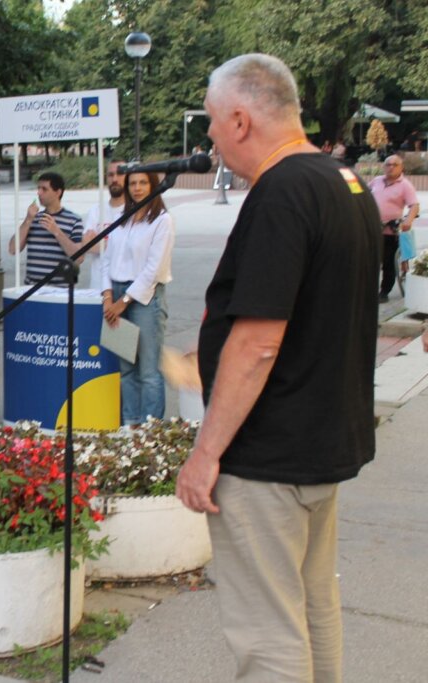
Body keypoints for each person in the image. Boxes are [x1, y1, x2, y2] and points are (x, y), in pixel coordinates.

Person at [175, 54, 380, 682]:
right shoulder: (342, 183)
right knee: (313, 608)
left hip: (268, 460)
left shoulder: (282, 192)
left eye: (211, 122)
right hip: (321, 445)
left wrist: (206, 452)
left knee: (268, 639)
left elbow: (258, 341)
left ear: (240, 119)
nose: (208, 136)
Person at [99, 170, 174, 425]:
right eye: (133, 183)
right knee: (126, 370)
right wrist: (108, 297)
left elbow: (154, 269)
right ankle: (130, 425)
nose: (138, 188)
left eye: (143, 182)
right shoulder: (123, 218)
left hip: (144, 299)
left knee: (148, 371)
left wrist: (123, 302)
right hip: (117, 295)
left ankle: (150, 430)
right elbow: (107, 260)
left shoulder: (161, 221)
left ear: (153, 185)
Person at [8, 172, 84, 286]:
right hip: (31, 288)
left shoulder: (74, 220)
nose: (39, 193)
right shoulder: (33, 219)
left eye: (44, 189)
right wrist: (28, 220)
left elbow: (79, 258)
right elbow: (13, 249)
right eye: (38, 188)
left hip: (60, 290)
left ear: (58, 192)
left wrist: (57, 232)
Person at [368, 155, 419, 302]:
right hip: (373, 228)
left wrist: (409, 220)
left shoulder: (405, 185)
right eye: (388, 164)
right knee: (370, 261)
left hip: (390, 230)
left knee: (388, 262)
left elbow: (414, 205)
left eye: (394, 165)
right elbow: (363, 193)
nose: (390, 167)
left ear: (401, 167)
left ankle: (384, 291)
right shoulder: (376, 181)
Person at [82, 161, 126, 290]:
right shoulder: (96, 211)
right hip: (97, 286)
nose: (115, 179)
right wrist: (118, 242)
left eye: (120, 174)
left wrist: (100, 241)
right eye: (110, 175)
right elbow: (86, 245)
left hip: (123, 288)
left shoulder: (135, 211)